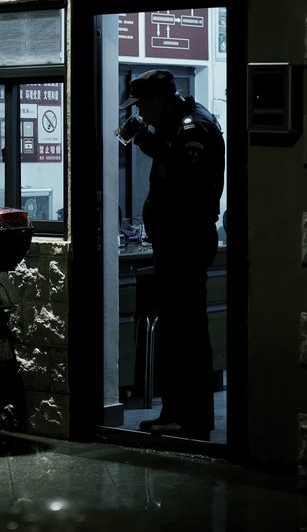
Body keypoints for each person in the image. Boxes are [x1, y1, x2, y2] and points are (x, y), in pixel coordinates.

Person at [117, 69, 225, 439]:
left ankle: (192, 419)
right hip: (175, 242)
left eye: (144, 105)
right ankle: (175, 412)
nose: (142, 113)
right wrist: (145, 138)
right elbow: (168, 152)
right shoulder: (178, 125)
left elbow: (187, 183)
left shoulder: (193, 129)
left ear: (162, 98)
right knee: (176, 332)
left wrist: (152, 140)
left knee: (187, 333)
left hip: (185, 242)